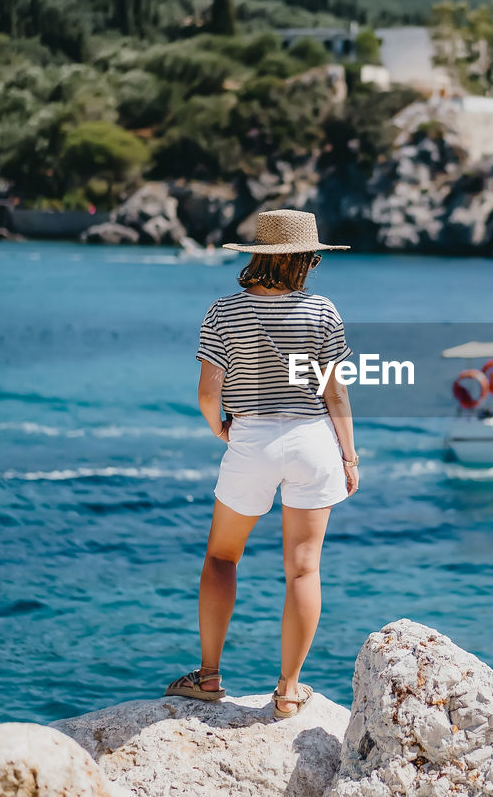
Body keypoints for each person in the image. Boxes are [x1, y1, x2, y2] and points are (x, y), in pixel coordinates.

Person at [165, 209, 358, 719]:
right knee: (303, 568)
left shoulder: (223, 312)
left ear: (259, 255)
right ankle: (289, 691)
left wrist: (222, 429)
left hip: (251, 439)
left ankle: (208, 678)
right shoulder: (323, 312)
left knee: (223, 558)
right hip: (313, 440)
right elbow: (335, 394)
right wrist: (349, 455)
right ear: (303, 261)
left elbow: (209, 394)